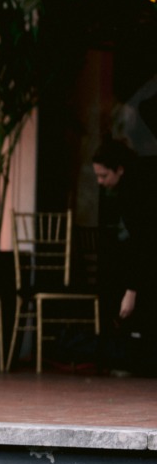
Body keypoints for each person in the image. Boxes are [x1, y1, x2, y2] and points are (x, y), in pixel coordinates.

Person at [91, 138, 157, 374]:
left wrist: (131, 290)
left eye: (103, 175)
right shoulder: (128, 189)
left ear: (119, 169)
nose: (100, 182)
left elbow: (144, 242)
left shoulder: (138, 191)